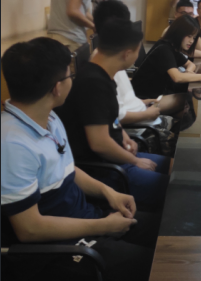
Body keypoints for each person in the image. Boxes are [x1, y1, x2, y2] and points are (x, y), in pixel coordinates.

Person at [1, 38, 159, 281]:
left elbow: (68, 169)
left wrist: (109, 192)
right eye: (70, 75)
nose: (72, 81)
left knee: (163, 229)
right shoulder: (12, 144)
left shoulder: (49, 117)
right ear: (57, 88)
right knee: (158, 265)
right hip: (55, 251)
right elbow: (29, 229)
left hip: (85, 218)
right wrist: (104, 226)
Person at [56, 19, 170, 211]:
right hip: (105, 170)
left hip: (118, 157)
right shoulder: (94, 84)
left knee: (174, 166)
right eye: (137, 51)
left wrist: (123, 135)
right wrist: (134, 161)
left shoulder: (103, 75)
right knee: (177, 189)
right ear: (127, 53)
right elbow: (99, 144)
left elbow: (109, 116)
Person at [93, 0, 193, 156]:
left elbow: (119, 105)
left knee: (187, 120)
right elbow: (113, 117)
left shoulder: (111, 59)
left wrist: (143, 104)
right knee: (184, 135)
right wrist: (146, 113)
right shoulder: (103, 67)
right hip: (142, 127)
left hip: (143, 113)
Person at [132, 15, 201, 100]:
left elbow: (191, 64)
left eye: (193, 38)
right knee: (184, 100)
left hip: (156, 92)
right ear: (179, 33)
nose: (191, 41)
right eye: (189, 36)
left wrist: (188, 72)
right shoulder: (164, 48)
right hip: (142, 97)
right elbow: (177, 77)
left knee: (185, 99)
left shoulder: (172, 47)